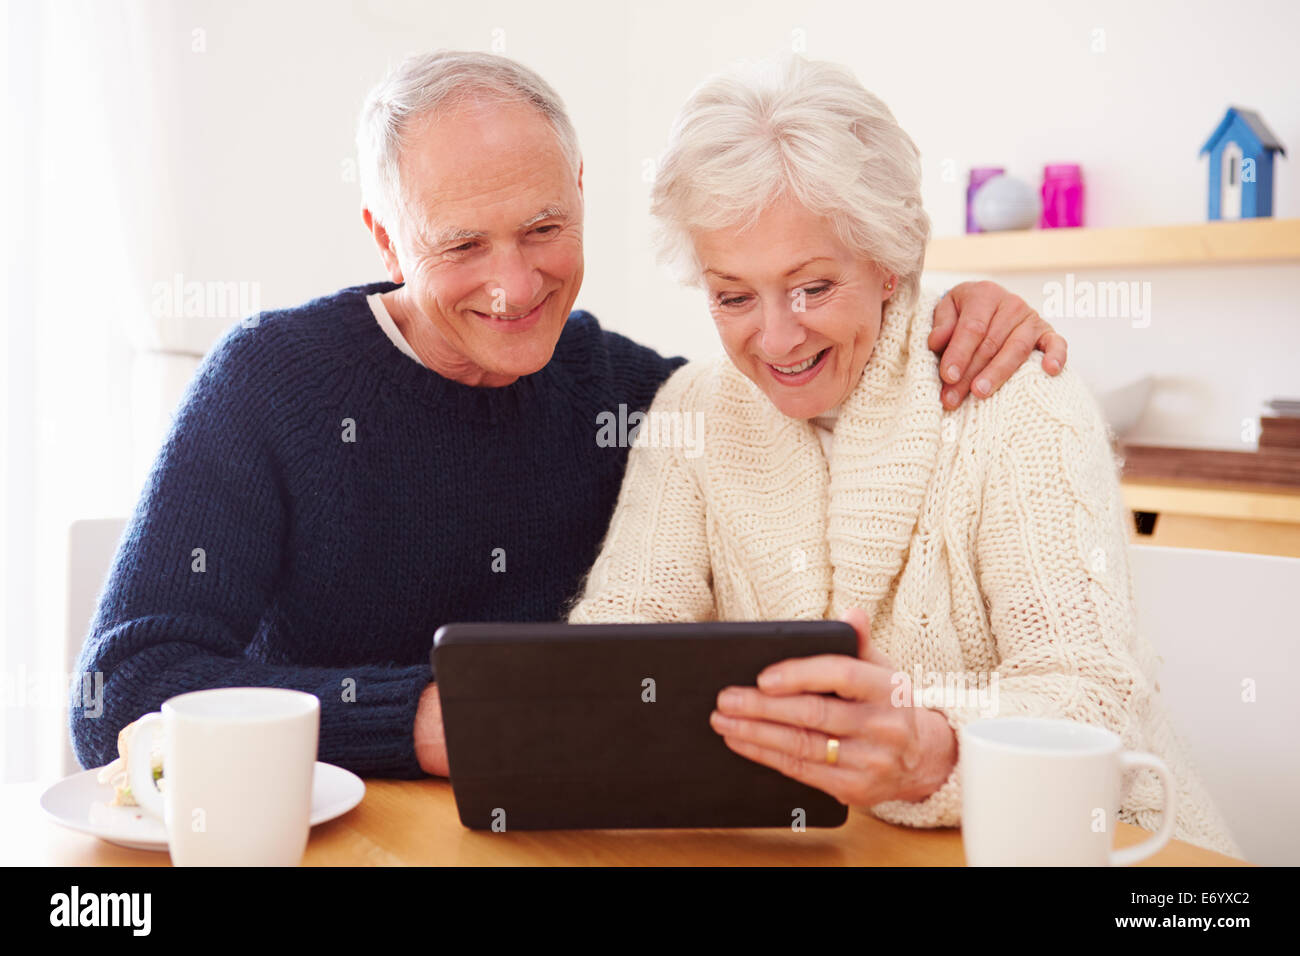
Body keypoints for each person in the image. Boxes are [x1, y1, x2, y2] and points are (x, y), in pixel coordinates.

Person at [71, 51, 1066, 783]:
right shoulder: (271, 383)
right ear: (384, 234)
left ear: (581, 193)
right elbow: (121, 689)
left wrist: (947, 311)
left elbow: (811, 386)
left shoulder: (636, 399)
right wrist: (427, 719)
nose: (514, 285)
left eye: (544, 228)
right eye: (462, 244)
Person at [567, 55, 1240, 857]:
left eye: (813, 286)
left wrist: (934, 748)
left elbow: (1093, 696)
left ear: (888, 262)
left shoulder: (1015, 397)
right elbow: (609, 655)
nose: (777, 339)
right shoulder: (693, 413)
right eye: (733, 296)